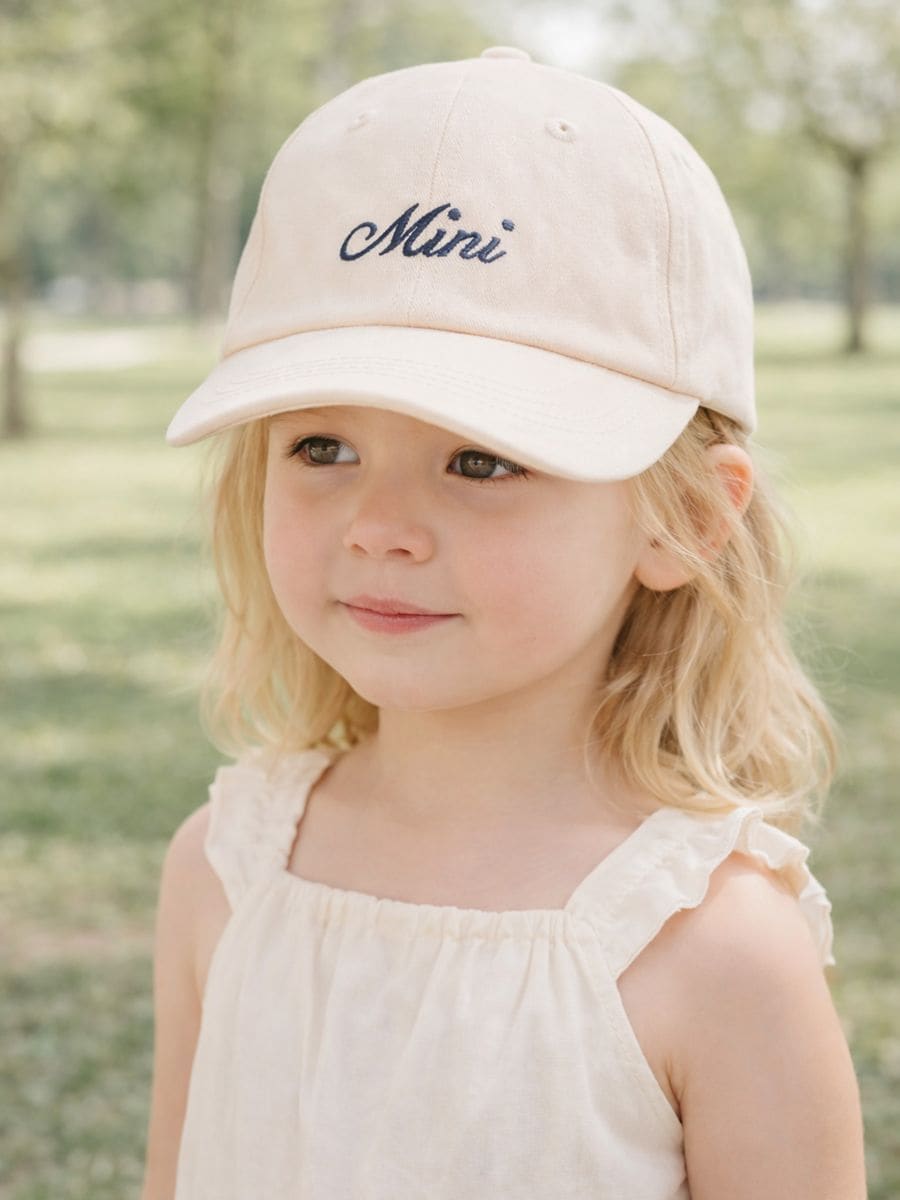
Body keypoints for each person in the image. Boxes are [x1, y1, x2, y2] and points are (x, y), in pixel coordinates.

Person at [140, 45, 867, 1200]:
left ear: (684, 520)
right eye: (322, 446)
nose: (381, 527)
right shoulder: (225, 871)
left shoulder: (716, 948)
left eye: (481, 460)